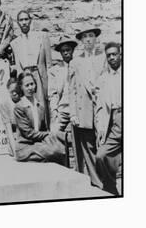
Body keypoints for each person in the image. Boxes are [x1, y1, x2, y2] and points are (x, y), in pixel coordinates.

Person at [68, 29, 103, 187]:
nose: (88, 40)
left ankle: (106, 177)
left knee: (103, 145)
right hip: (84, 108)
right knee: (88, 147)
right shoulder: (75, 62)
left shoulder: (103, 59)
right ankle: (97, 182)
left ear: (96, 39)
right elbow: (72, 90)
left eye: (91, 36)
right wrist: (73, 113)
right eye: (85, 37)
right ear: (81, 41)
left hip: (101, 108)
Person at [13, 72, 66, 164]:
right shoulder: (19, 107)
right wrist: (48, 134)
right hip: (25, 147)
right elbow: (28, 133)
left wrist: (50, 136)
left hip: (39, 144)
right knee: (54, 152)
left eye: (32, 84)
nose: (30, 88)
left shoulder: (40, 106)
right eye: (27, 85)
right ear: (21, 87)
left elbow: (43, 128)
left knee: (60, 148)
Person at [10, 10, 52, 124]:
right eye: (21, 20)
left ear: (30, 21)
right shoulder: (15, 43)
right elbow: (18, 66)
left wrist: (50, 82)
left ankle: (45, 130)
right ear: (18, 23)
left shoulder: (42, 37)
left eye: (26, 19)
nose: (24, 22)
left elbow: (49, 63)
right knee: (28, 105)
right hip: (25, 75)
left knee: (42, 105)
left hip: (39, 74)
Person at [94, 42, 122, 195]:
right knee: (101, 155)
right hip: (113, 121)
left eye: (114, 54)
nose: (112, 57)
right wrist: (100, 129)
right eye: (109, 55)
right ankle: (111, 189)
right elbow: (99, 108)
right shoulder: (103, 79)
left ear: (120, 54)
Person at [48, 35, 78, 131]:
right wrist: (54, 111)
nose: (66, 53)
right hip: (62, 109)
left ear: (72, 50)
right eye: (63, 51)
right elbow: (52, 94)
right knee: (54, 131)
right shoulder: (55, 70)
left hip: (78, 109)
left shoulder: (79, 67)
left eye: (68, 50)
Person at [0, 77, 21, 157]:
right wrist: (16, 154)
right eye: (12, 92)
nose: (15, 93)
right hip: (14, 138)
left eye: (17, 91)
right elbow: (9, 131)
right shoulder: (5, 104)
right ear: (8, 91)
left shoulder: (25, 100)